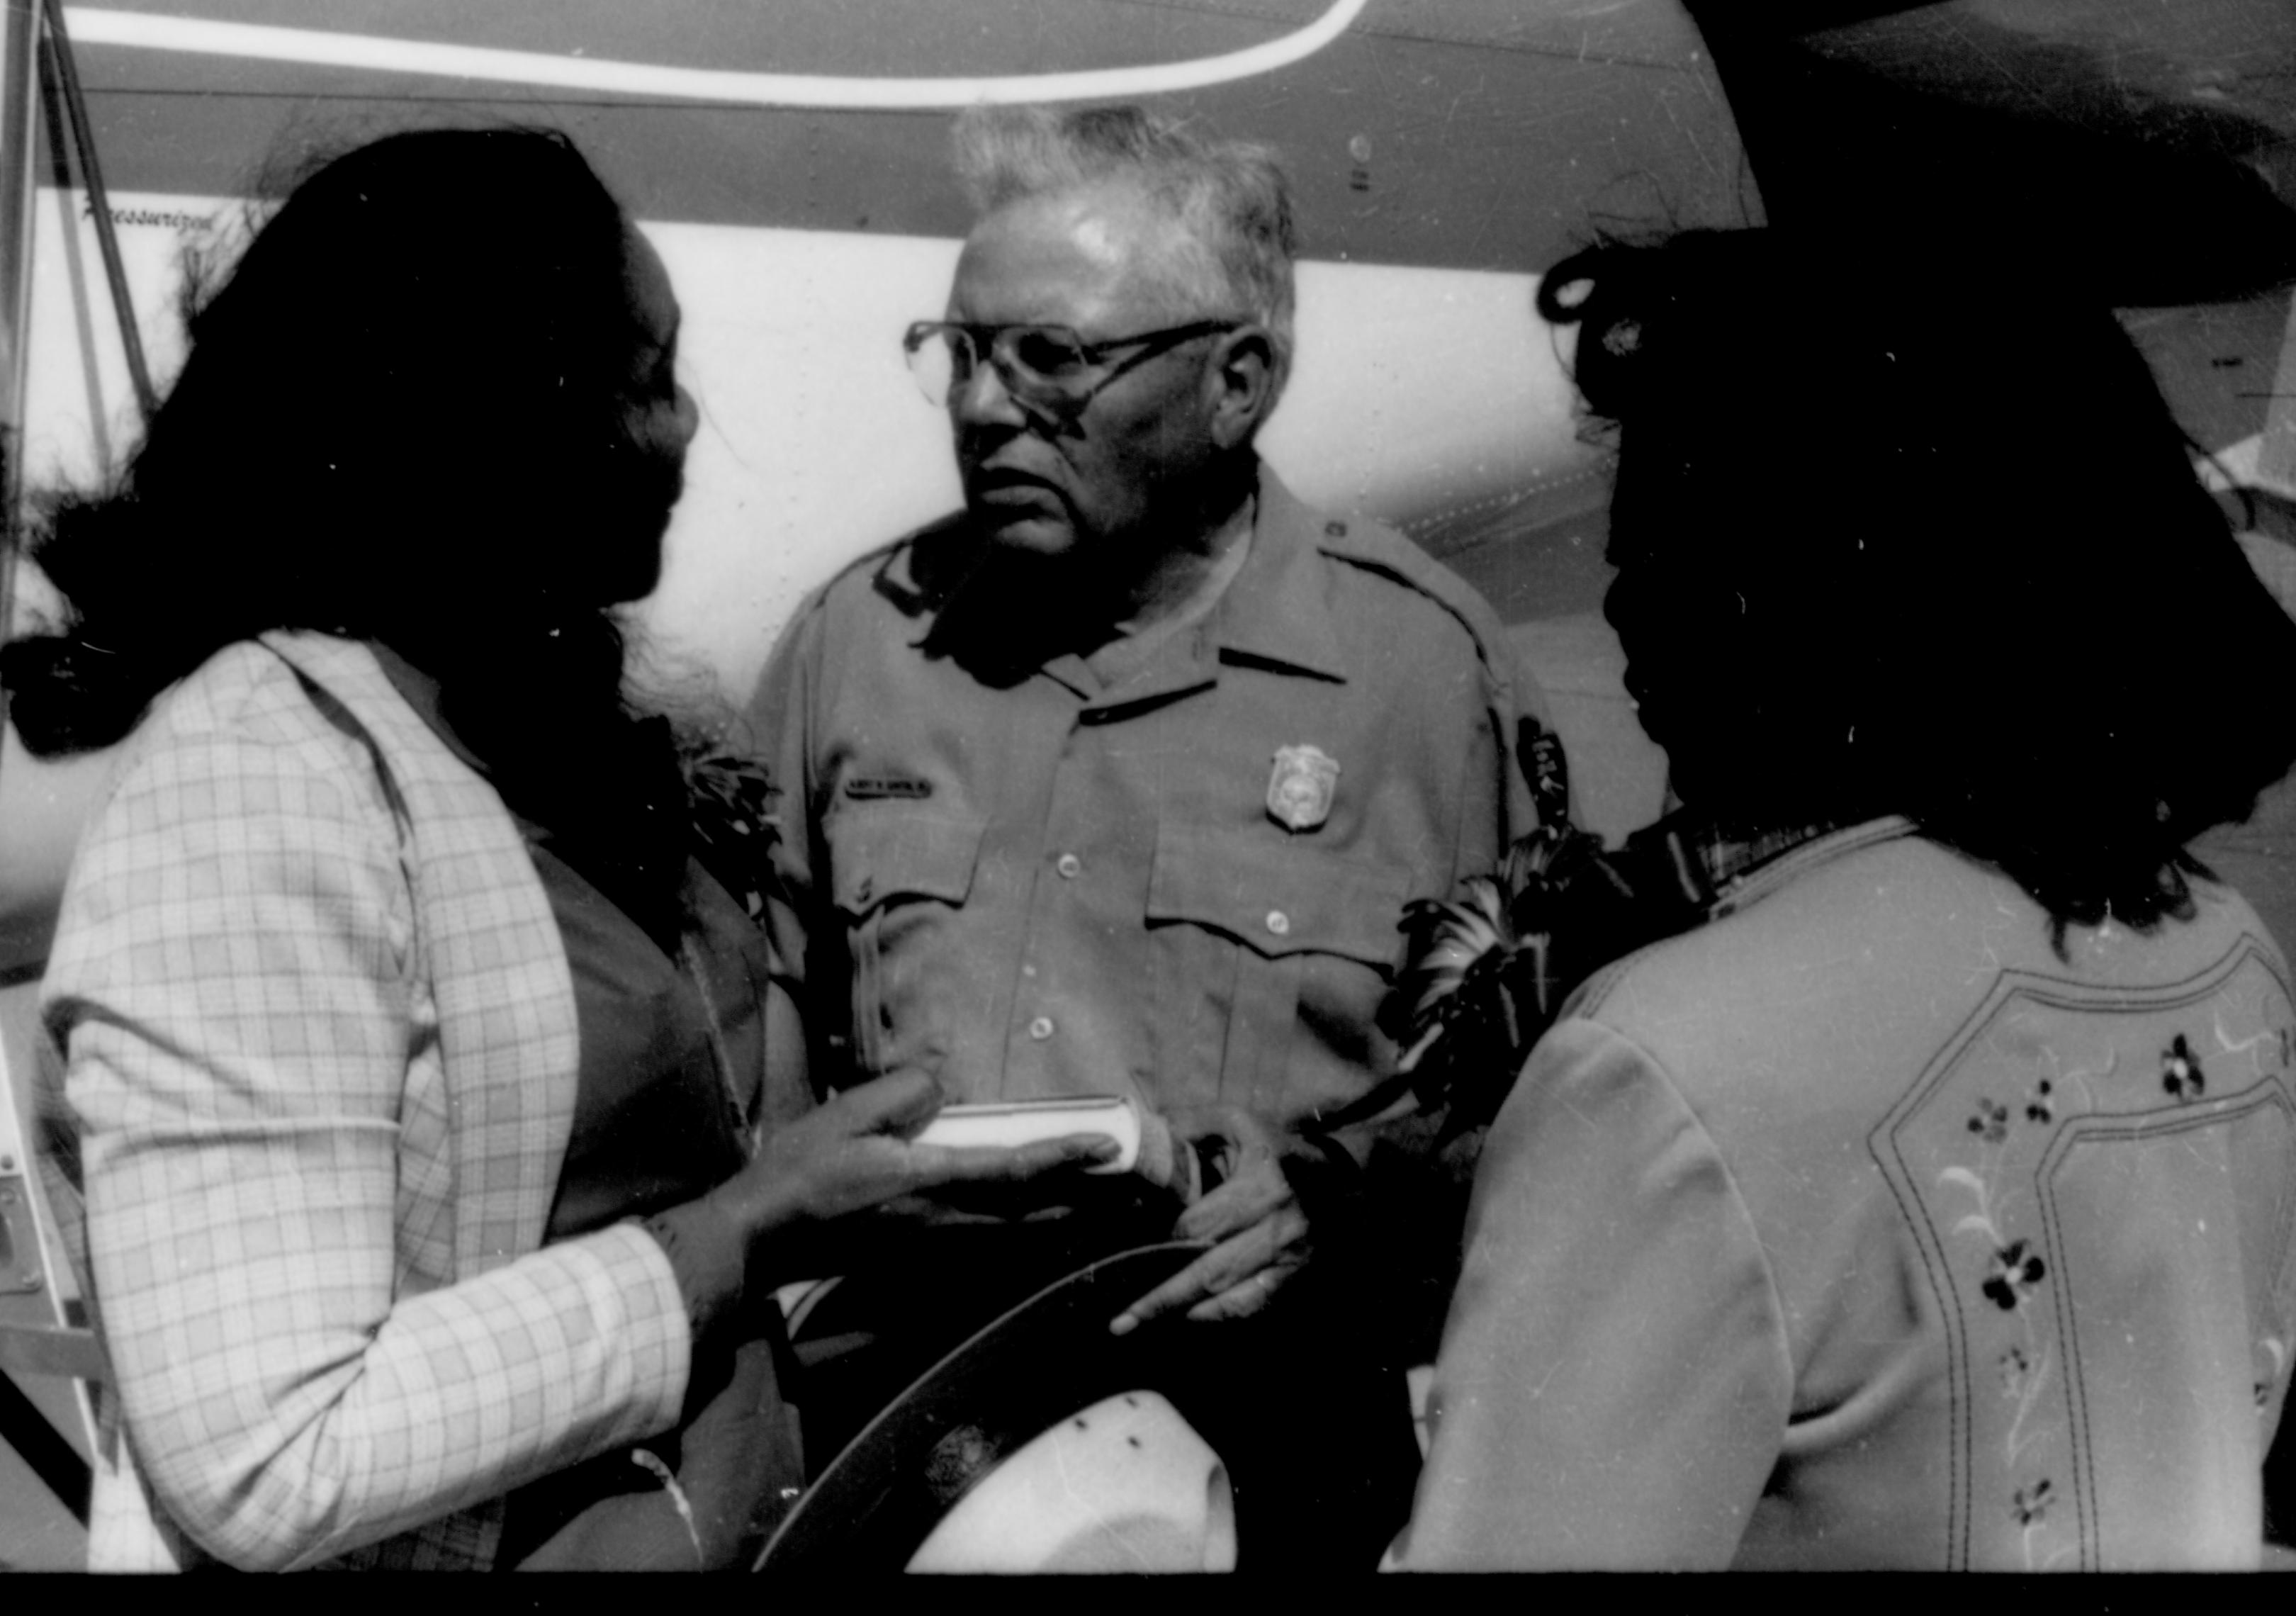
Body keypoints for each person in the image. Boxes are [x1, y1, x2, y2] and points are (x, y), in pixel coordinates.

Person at [6, 125, 1108, 1572]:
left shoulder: (538, 727)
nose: (690, 422)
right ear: (499, 421)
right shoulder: (260, 785)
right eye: (647, 377)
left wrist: (854, 1197)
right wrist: (742, 1236)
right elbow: (265, 1457)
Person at [1387, 228, 2296, 1571]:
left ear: (1836, 573)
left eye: (1666, 526)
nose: (1623, 590)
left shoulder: (1664, 1064)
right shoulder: (2220, 950)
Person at [743, 103, 1548, 1562]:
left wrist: (1343, 1213)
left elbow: (1540, 1106)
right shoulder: (854, 650)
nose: (985, 407)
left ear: (1239, 381)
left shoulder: (1422, 677)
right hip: (921, 1475)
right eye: (963, 352)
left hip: (1277, 1483)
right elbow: (755, 1076)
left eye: (1051, 359)